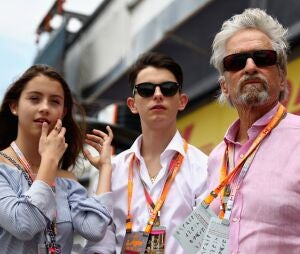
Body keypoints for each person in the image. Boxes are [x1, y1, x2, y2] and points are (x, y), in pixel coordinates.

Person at [206, 8, 300, 253]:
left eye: (263, 57)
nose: (249, 66)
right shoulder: (216, 159)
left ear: (281, 77)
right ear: (224, 86)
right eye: (236, 62)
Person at [84, 52, 208, 254]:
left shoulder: (203, 167)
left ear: (182, 101)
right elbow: (99, 243)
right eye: (146, 90)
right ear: (132, 104)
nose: (158, 95)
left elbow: (206, 244)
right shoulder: (112, 169)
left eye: (168, 89)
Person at [0, 64, 113, 254]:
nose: (44, 107)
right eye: (34, 99)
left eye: (54, 102)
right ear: (14, 106)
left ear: (64, 112)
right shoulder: (3, 168)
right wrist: (50, 161)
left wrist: (106, 168)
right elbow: (24, 224)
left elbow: (94, 229)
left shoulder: (67, 180)